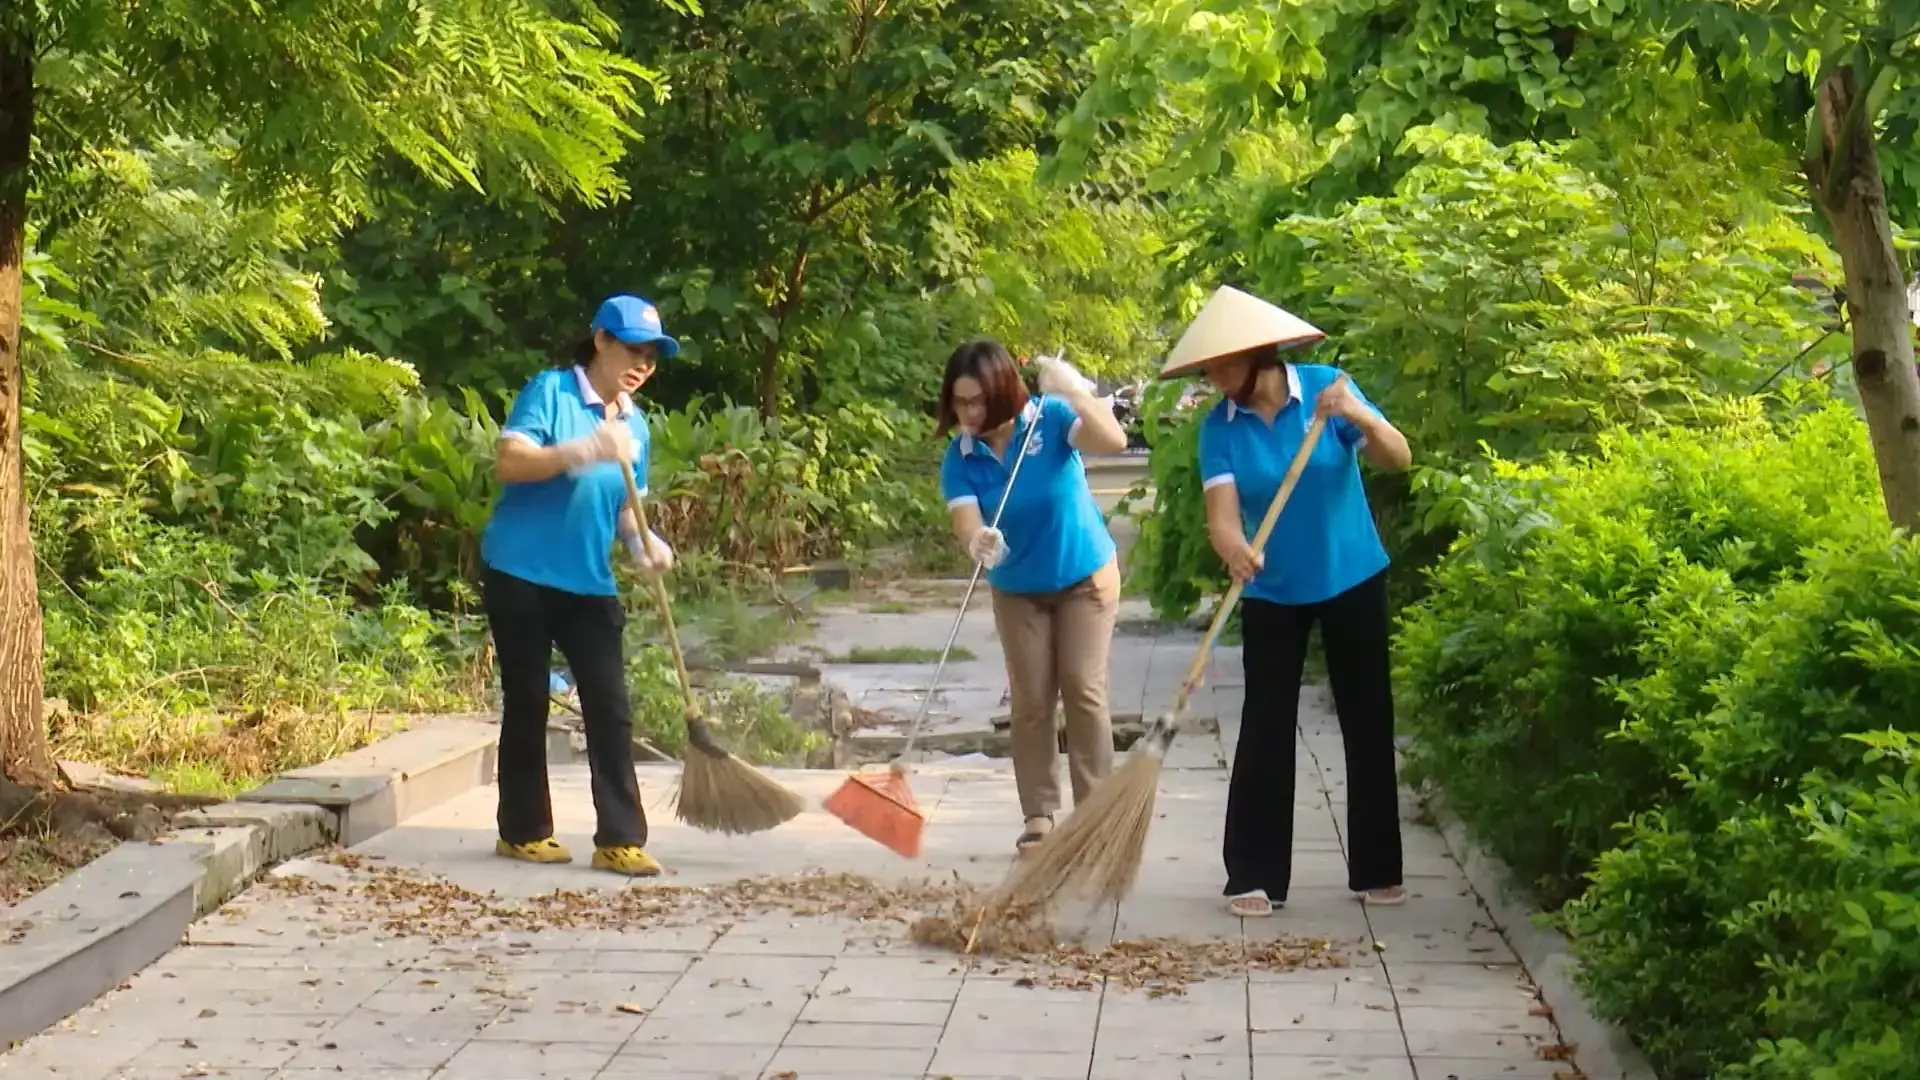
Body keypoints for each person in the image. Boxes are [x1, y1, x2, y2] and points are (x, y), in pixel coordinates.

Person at [1159, 285, 1414, 917]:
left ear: (1257, 356)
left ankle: (1378, 868)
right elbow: (1221, 516)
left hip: (1353, 573)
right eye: (1209, 369)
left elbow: (1398, 457)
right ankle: (1254, 875)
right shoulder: (1219, 430)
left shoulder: (1329, 388)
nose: (1216, 379)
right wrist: (1233, 549)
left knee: (1368, 717)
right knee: (1265, 726)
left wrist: (1359, 415)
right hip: (1273, 590)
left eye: (1223, 365)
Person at [478, 294, 680, 878]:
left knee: (610, 705)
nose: (641, 364)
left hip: (587, 580)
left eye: (651, 356)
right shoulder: (552, 392)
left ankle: (620, 837)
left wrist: (644, 544)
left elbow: (625, 506)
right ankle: (523, 831)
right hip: (521, 571)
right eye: (631, 349)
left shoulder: (635, 424)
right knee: (527, 700)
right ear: (600, 341)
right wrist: (583, 448)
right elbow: (511, 463)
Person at [936, 341, 1131, 851]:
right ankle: (1039, 814)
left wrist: (1077, 393)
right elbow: (966, 519)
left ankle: (1095, 816)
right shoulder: (960, 456)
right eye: (959, 402)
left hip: (1083, 577)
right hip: (1018, 588)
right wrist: (977, 540)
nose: (969, 413)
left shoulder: (1049, 419)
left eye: (978, 401)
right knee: (1031, 699)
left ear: (1002, 392)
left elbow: (1112, 440)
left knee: (1083, 688)